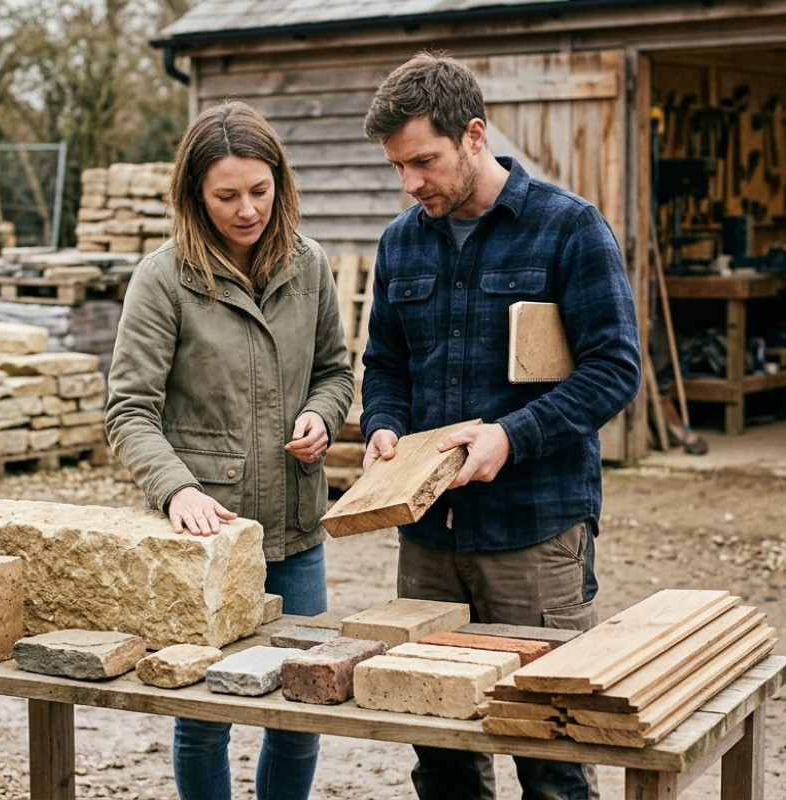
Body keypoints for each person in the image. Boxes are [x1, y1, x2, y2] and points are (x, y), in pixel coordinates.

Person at [360, 53, 641, 800]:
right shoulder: (401, 242)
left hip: (535, 534)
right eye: (397, 167)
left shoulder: (569, 229)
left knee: (549, 751)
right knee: (441, 747)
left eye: (423, 161)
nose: (410, 183)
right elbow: (384, 363)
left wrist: (511, 436)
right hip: (426, 534)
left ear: (474, 135)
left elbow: (615, 369)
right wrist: (383, 427)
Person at [104, 100, 354, 800]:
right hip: (208, 535)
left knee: (300, 708)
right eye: (226, 196)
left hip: (298, 533)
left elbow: (337, 371)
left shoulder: (310, 267)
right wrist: (176, 489)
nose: (247, 210)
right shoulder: (164, 278)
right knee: (206, 711)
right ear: (194, 195)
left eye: (260, 191)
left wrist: (322, 416)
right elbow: (129, 409)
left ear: (280, 183)